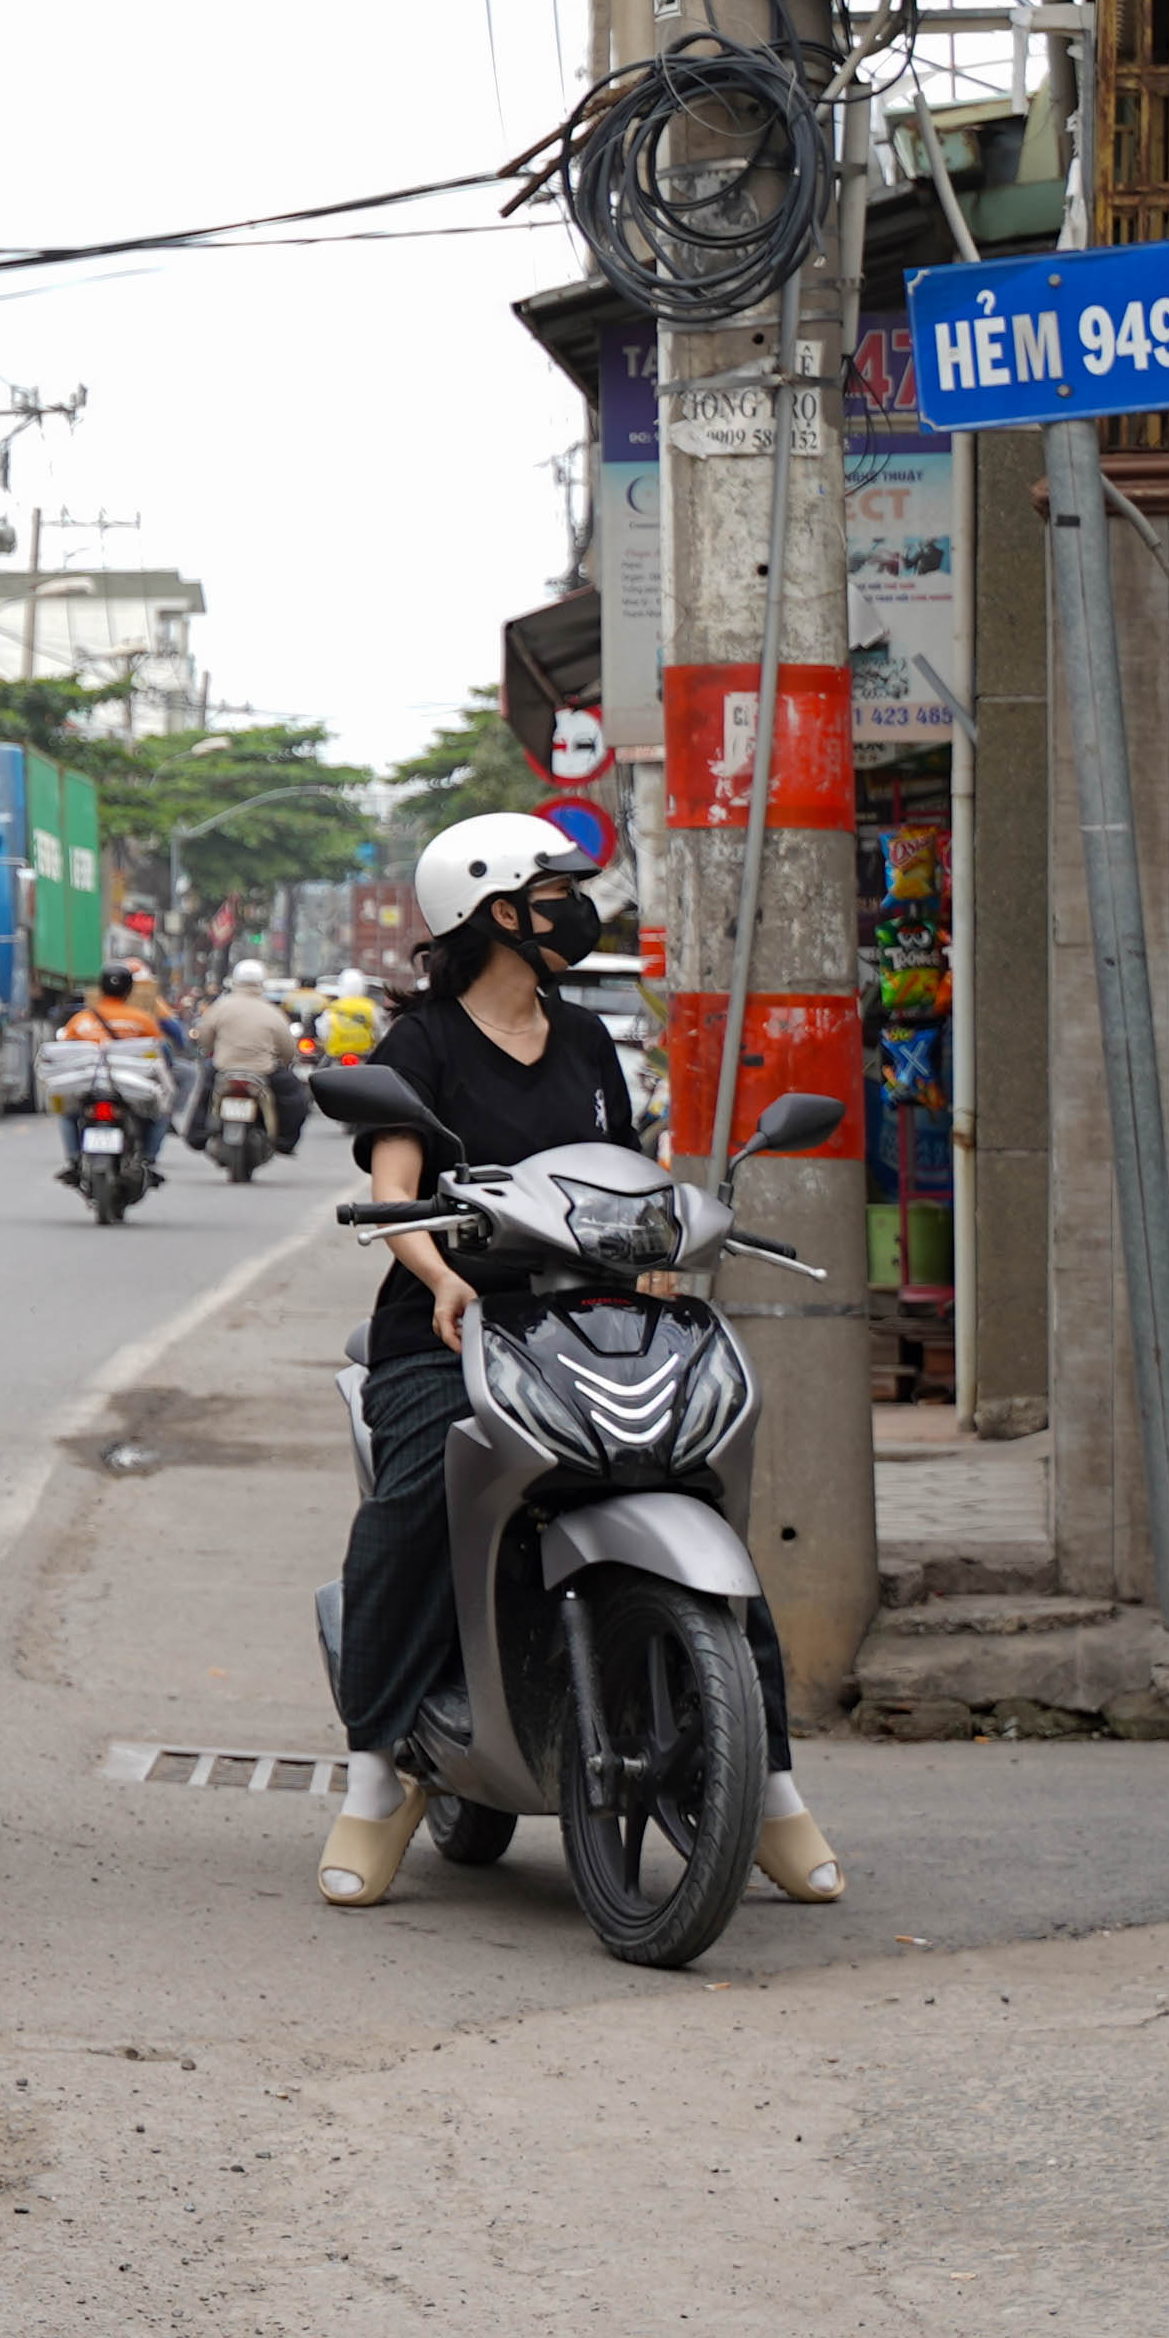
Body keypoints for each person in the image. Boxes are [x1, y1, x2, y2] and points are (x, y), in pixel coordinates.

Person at [313, 813, 847, 1909]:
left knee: (695, 1480)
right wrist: (442, 1272)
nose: (573, 901)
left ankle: (772, 1783)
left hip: (594, 1315)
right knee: (416, 1497)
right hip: (458, 1322)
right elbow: (396, 1191)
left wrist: (663, 1248)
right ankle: (375, 1775)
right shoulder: (421, 1043)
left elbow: (626, 1175)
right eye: (553, 884)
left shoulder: (589, 1038)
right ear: (493, 908)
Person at [55, 959, 173, 1191]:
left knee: (67, 1114)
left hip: (89, 1088)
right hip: (129, 1090)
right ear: (129, 990)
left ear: (100, 989)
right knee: (160, 1114)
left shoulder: (82, 1020)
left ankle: (74, 1160)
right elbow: (160, 1053)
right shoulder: (142, 1020)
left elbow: (65, 1054)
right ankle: (147, 1160)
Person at [194, 971, 305, 1158]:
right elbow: (287, 1048)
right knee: (295, 1096)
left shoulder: (220, 1007)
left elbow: (204, 1037)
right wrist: (284, 1062)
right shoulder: (272, 1011)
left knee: (203, 1094)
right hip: (263, 1070)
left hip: (223, 1067)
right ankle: (284, 1141)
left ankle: (197, 1136)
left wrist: (211, 1050)